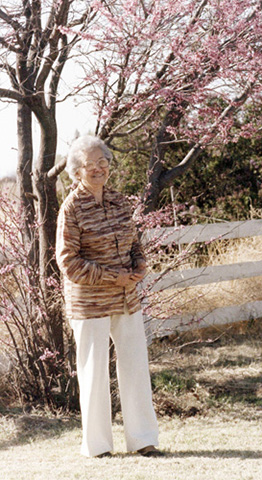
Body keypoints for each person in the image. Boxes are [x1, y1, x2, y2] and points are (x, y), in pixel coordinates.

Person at [56, 135, 161, 458]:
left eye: (103, 162)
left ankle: (143, 440)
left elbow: (133, 243)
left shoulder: (119, 201)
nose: (99, 169)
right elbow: (68, 262)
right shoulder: (71, 208)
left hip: (126, 297)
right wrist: (111, 277)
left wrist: (140, 265)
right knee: (94, 373)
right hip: (90, 303)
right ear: (77, 172)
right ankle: (98, 447)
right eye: (91, 165)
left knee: (135, 367)